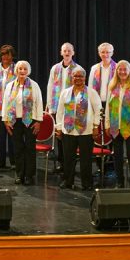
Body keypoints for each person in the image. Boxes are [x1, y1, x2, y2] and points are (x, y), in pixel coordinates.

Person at [54, 67, 101, 191]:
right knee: (68, 158)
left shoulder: (91, 92)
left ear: (85, 78)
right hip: (68, 130)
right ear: (72, 77)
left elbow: (98, 110)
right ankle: (68, 181)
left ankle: (87, 183)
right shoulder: (65, 92)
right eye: (75, 76)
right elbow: (60, 112)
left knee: (86, 159)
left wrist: (96, 126)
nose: (78, 78)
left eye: (80, 76)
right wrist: (58, 127)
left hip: (86, 131)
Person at [2, 60, 44, 185]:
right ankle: (20, 174)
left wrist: (38, 121)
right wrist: (6, 120)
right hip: (15, 121)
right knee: (18, 149)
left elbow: (39, 103)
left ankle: (29, 176)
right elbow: (5, 103)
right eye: (20, 69)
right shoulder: (10, 86)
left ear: (28, 71)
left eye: (25, 69)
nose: (22, 71)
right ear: (16, 71)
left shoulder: (34, 85)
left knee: (30, 148)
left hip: (30, 120)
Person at [105, 60, 130, 187]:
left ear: (129, 71)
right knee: (117, 156)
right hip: (116, 126)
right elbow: (108, 107)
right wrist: (107, 124)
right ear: (116, 71)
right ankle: (120, 181)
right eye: (119, 69)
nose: (122, 71)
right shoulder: (112, 85)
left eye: (124, 69)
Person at [46, 43, 82, 171]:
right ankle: (61, 162)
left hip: (71, 108)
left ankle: (69, 163)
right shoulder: (55, 68)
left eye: (69, 51)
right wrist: (49, 105)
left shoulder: (78, 69)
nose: (67, 53)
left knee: (69, 137)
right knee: (59, 135)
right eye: (64, 51)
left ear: (73, 53)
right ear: (61, 53)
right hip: (56, 107)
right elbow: (50, 86)